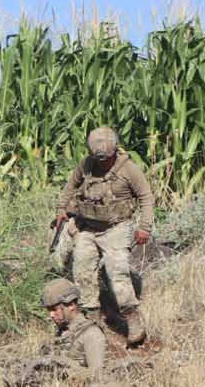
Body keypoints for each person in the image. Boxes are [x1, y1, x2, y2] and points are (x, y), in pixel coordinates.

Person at [56, 126, 154, 345]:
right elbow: (70, 187)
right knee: (82, 268)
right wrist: (61, 209)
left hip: (116, 227)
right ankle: (91, 318)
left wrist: (144, 227)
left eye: (105, 158)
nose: (101, 162)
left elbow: (146, 197)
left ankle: (132, 317)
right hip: (87, 227)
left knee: (116, 268)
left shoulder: (128, 169)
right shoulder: (86, 165)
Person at [6, 279, 107, 387]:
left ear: (71, 305)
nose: (51, 315)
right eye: (48, 310)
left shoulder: (91, 334)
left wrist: (65, 370)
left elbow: (98, 378)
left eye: (54, 309)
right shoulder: (62, 332)